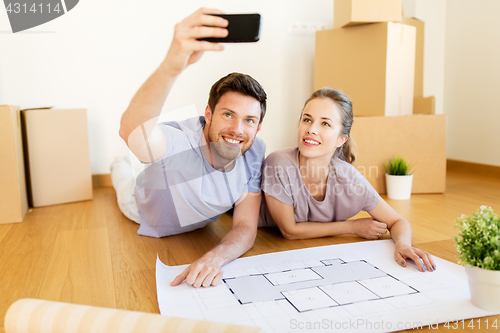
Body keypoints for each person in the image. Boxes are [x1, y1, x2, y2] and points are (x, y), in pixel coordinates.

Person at [112, 8, 267, 288]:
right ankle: (118, 163)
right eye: (228, 115)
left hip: (196, 222)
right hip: (143, 206)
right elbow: (132, 132)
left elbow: (245, 226)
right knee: (122, 177)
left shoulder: (254, 151)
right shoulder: (183, 141)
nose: (237, 129)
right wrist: (172, 66)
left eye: (249, 120)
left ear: (257, 128)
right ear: (208, 114)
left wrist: (215, 257)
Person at [259, 87, 436, 273]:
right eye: (307, 119)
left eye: (325, 124)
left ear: (341, 140)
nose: (311, 129)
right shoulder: (278, 163)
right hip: (259, 234)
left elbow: (398, 221)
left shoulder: (349, 179)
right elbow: (290, 231)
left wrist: (402, 244)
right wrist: (351, 227)